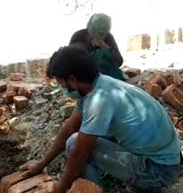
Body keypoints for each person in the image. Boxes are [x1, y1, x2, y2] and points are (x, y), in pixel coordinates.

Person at [19, 44, 181, 193]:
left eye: (61, 84)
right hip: (166, 159)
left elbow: (78, 153)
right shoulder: (98, 85)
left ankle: (94, 190)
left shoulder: (99, 99)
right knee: (83, 136)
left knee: (75, 144)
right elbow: (70, 127)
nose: (61, 88)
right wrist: (42, 163)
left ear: (72, 80)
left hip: (159, 173)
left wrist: (59, 189)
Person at [69, 13, 124, 80]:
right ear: (90, 27)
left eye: (102, 34)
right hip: (85, 76)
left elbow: (119, 62)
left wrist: (106, 47)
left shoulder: (108, 37)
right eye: (95, 31)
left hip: (106, 77)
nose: (98, 35)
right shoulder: (78, 36)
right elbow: (69, 61)